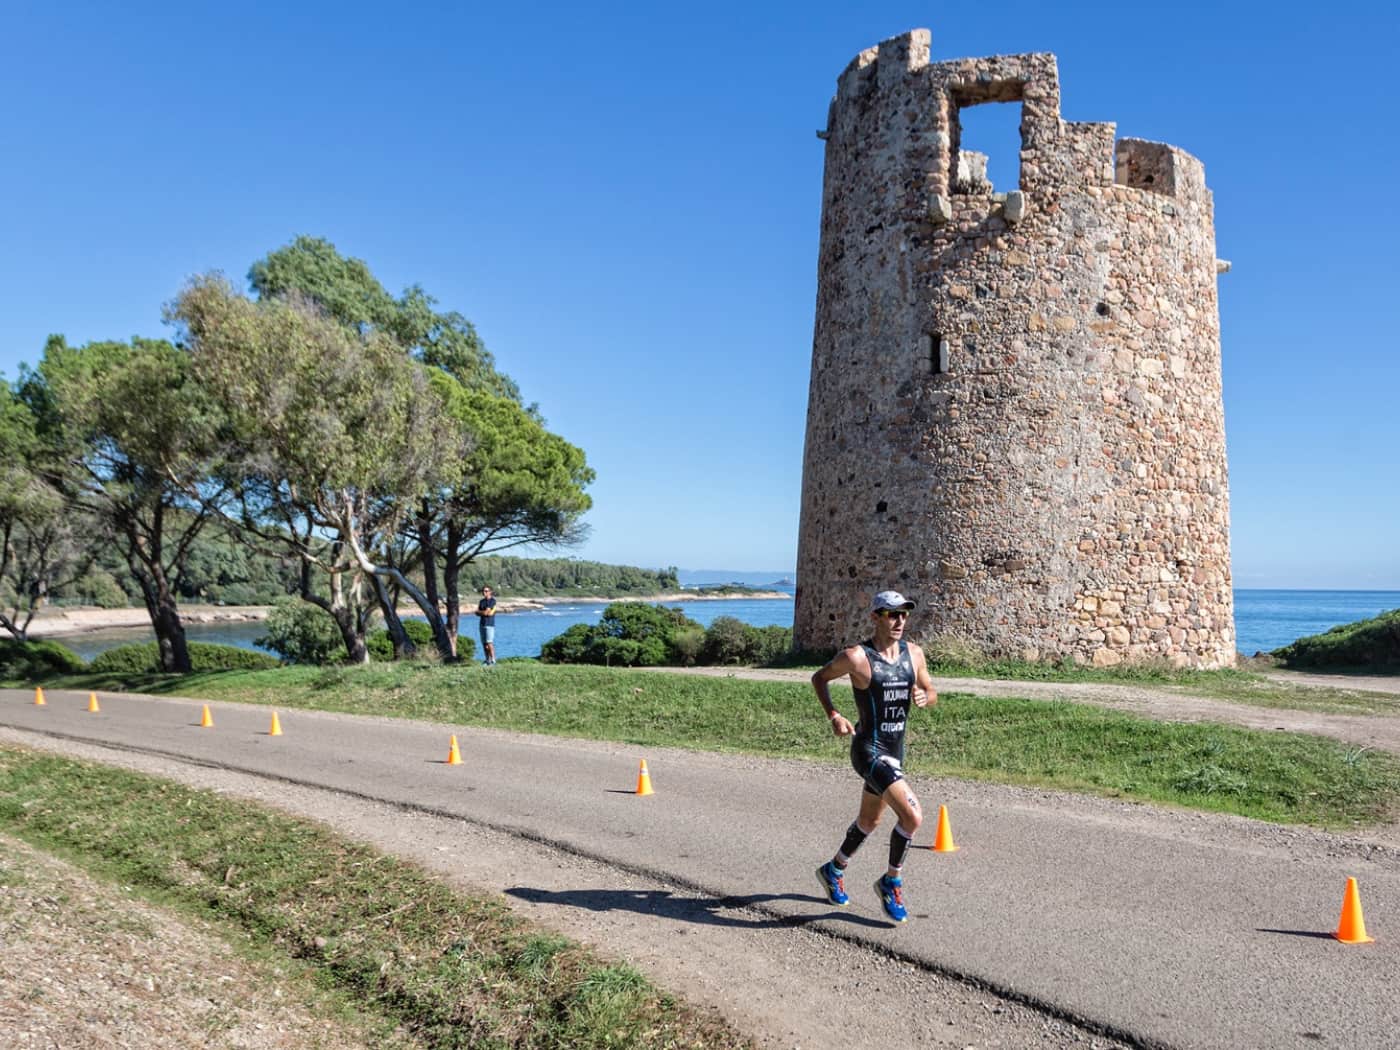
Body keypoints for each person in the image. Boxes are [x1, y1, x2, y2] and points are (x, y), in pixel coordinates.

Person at [810, 589, 937, 923]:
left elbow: (931, 689)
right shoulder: (857, 657)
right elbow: (819, 677)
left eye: (904, 614)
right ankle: (891, 881)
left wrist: (926, 695)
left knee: (870, 821)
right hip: (868, 751)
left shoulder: (915, 654)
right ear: (875, 617)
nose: (899, 621)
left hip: (896, 752)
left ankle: (834, 869)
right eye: (892, 614)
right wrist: (834, 715)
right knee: (913, 818)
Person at [475, 585, 498, 666]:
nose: (484, 592)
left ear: (490, 592)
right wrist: (483, 612)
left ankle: (493, 660)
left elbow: (486, 612)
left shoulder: (492, 601)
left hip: (489, 625)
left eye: (486, 591)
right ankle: (487, 660)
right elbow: (477, 612)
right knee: (484, 644)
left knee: (489, 643)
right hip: (482, 624)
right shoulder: (481, 601)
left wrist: (481, 612)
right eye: (483, 591)